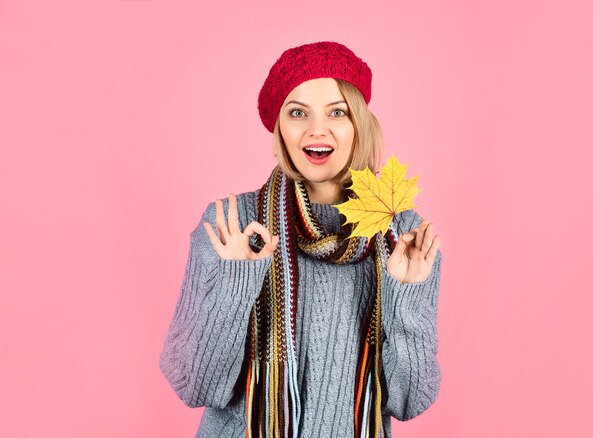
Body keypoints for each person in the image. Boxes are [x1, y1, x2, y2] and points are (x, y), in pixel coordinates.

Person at [159, 41, 443, 438]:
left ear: (359, 122)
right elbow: (195, 386)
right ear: (280, 127)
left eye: (337, 112)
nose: (316, 129)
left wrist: (405, 296)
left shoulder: (402, 236)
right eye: (297, 113)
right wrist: (234, 284)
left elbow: (410, 400)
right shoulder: (234, 225)